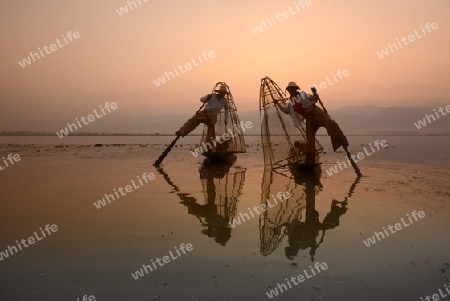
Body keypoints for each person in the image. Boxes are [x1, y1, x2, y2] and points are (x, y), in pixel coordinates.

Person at [275, 82, 348, 165]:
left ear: (296, 89)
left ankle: (341, 141)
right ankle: (310, 160)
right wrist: (278, 104)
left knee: (329, 122)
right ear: (288, 91)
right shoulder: (291, 102)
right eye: (289, 90)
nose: (291, 91)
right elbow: (286, 111)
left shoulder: (303, 94)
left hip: (314, 110)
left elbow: (314, 99)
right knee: (310, 138)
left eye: (292, 89)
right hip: (308, 117)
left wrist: (314, 93)